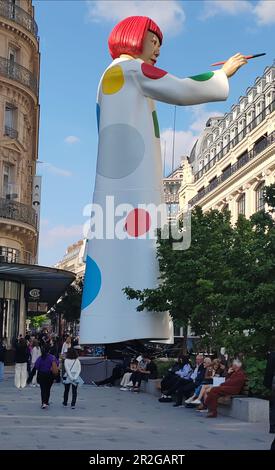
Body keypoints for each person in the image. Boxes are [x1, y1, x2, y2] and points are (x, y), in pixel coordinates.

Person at [80, 15, 248, 345]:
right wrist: (223, 73)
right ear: (134, 38)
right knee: (141, 246)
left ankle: (114, 325)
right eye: (153, 41)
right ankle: (140, 326)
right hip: (136, 177)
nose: (157, 50)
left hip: (118, 175)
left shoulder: (110, 76)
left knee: (120, 248)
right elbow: (180, 86)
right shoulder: (130, 69)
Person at [28, 344, 59, 409]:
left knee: (43, 389)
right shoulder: (52, 357)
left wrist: (30, 378)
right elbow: (57, 364)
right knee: (48, 389)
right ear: (49, 350)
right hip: (50, 375)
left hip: (41, 375)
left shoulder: (40, 358)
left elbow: (36, 367)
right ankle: (46, 401)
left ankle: (43, 402)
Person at [264, 336, 275, 450]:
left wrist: (267, 384)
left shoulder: (272, 355)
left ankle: (272, 427)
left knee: (273, 406)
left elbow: (269, 372)